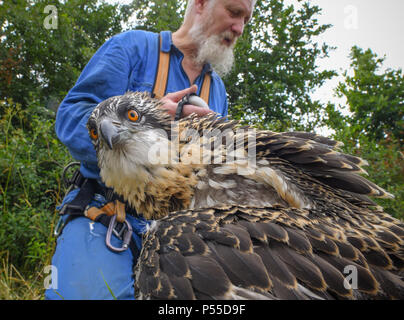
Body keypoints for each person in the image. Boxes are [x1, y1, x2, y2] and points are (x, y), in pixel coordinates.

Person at [46, 0, 255, 300]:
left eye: (246, 20)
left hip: (177, 232)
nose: (239, 28)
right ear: (200, 4)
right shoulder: (132, 48)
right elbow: (69, 119)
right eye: (234, 12)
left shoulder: (216, 89)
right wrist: (146, 123)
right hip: (105, 210)